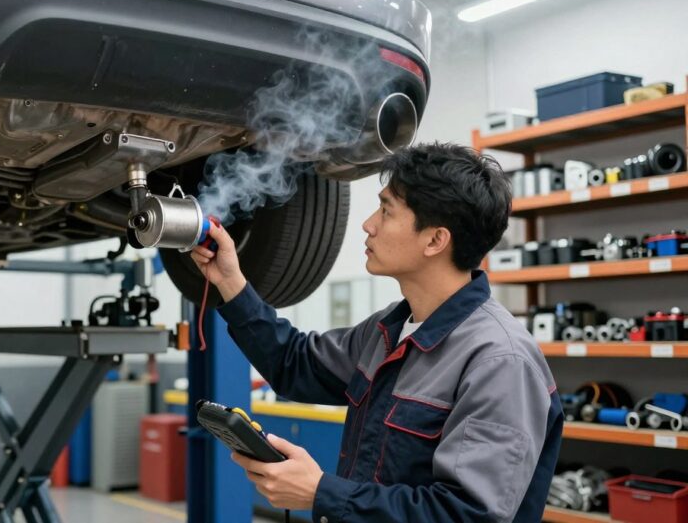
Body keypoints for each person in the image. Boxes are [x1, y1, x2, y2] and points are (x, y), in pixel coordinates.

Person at [190, 142, 562, 522]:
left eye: (386, 211)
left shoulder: (500, 361)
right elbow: (294, 365)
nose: (369, 224)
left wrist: (322, 493)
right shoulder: (389, 331)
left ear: (435, 239)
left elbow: (467, 515)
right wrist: (231, 282)